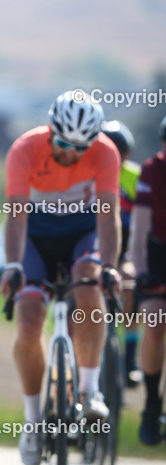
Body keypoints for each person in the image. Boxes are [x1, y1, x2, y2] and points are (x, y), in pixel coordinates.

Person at [0, 91, 121, 465]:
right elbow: (15, 216)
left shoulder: (106, 153)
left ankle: (88, 391)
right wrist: (13, 265)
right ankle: (33, 420)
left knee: (89, 284)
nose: (70, 153)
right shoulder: (24, 150)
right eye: (63, 144)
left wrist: (110, 266)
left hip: (81, 231)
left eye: (80, 148)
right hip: (35, 234)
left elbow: (108, 217)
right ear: (50, 130)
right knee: (29, 320)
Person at [132, 115, 166, 445]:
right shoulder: (152, 170)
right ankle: (153, 402)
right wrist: (141, 272)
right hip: (158, 253)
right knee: (154, 322)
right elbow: (139, 230)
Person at [102, 120, 143, 386]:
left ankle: (129, 357)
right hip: (98, 246)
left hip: (126, 247)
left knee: (130, 282)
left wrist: (132, 257)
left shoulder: (136, 177)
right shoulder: (91, 174)